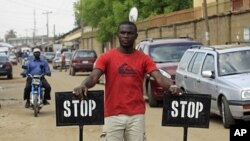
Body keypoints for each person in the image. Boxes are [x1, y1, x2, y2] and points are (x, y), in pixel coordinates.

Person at [73, 21, 181, 141]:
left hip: (136, 116)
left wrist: (172, 86)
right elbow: (93, 77)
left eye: (129, 33)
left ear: (135, 35)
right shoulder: (106, 57)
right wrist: (83, 85)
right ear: (118, 35)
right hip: (112, 115)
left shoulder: (144, 59)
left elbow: (159, 78)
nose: (126, 36)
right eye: (122, 33)